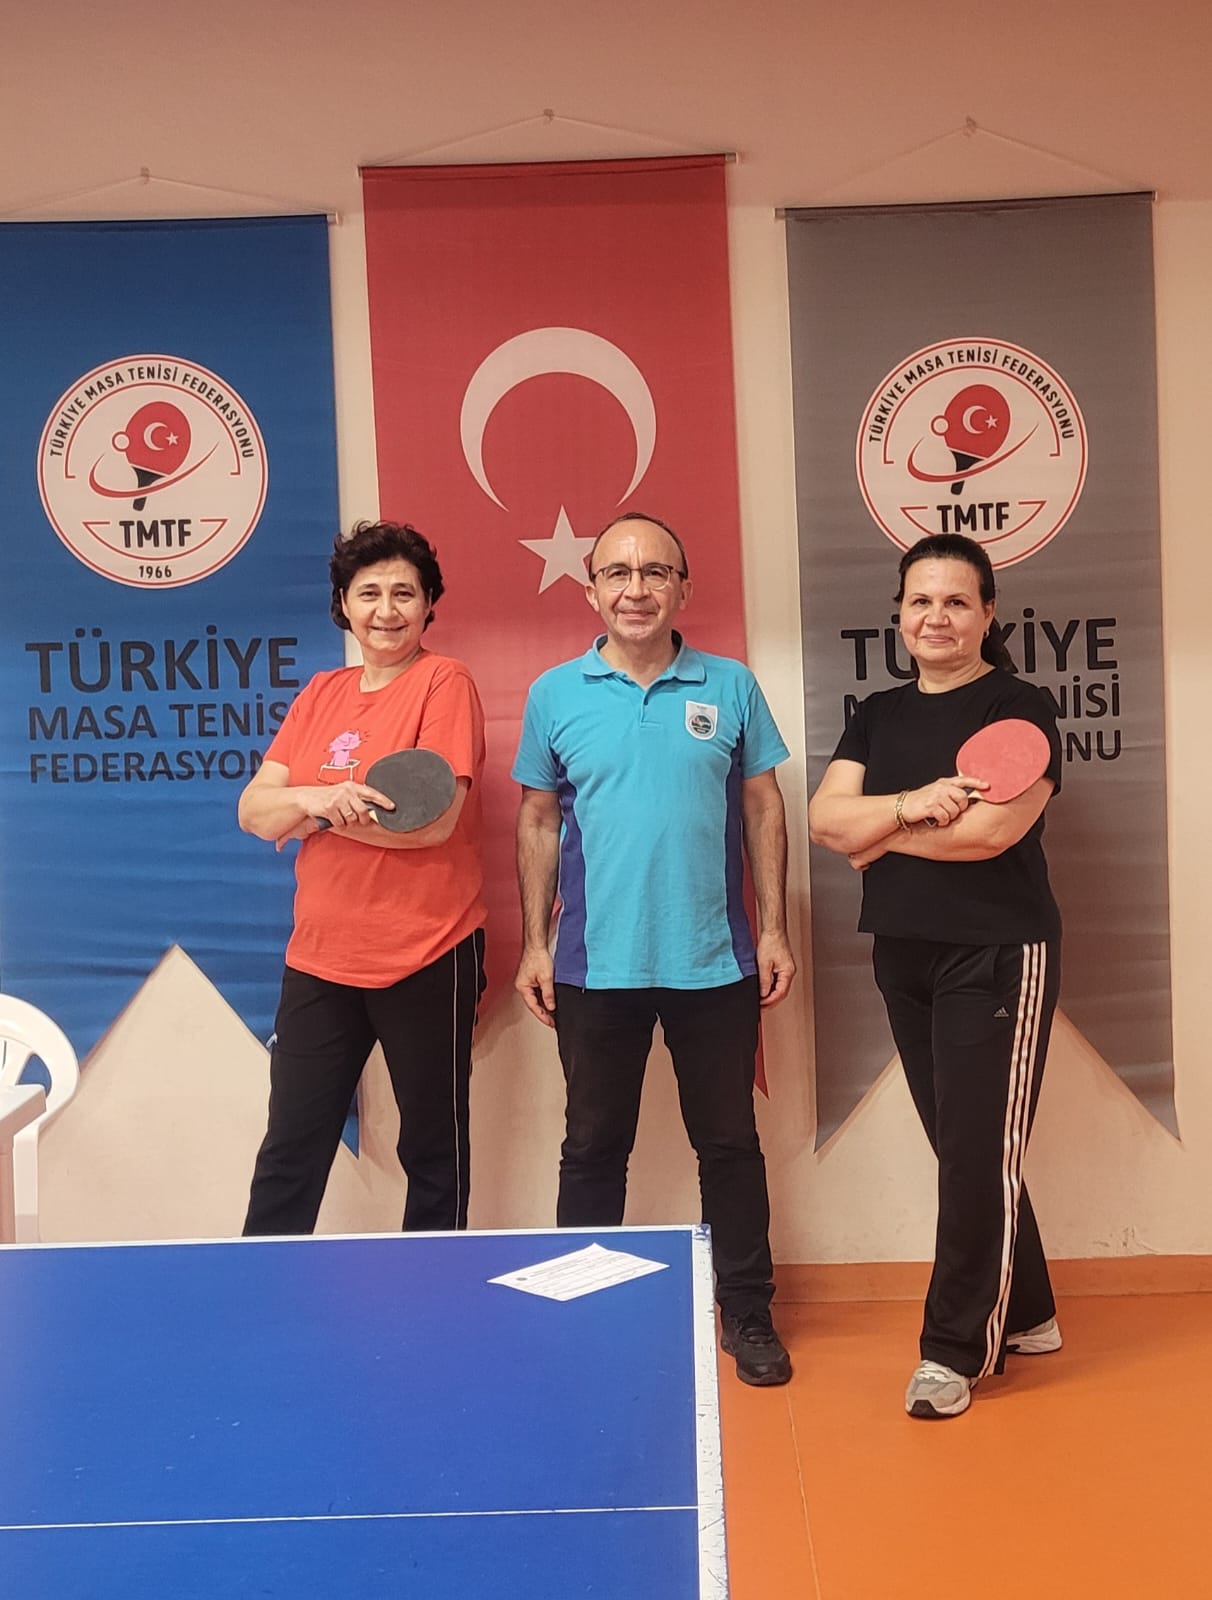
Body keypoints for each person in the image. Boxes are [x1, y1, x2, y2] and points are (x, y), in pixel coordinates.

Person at [512, 511, 797, 1386]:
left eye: (655, 572)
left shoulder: (732, 685)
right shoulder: (554, 693)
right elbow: (537, 819)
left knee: (730, 1145)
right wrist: (535, 944)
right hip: (595, 966)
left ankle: (746, 1311)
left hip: (715, 960)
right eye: (618, 573)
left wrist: (774, 928)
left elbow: (763, 807)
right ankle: (587, 1313)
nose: (636, 589)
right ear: (591, 588)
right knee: (593, 1147)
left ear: (683, 587)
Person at [808, 532, 1062, 1419]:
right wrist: (910, 806)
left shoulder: (1021, 708)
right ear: (900, 613)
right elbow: (824, 820)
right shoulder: (877, 714)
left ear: (988, 614)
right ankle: (1029, 1310)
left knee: (975, 1153)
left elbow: (990, 834)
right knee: (966, 1146)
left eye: (957, 601)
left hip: (997, 955)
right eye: (921, 600)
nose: (937, 617)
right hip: (902, 954)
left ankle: (953, 1350)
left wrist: (877, 834)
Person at [238, 520, 486, 1236]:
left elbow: (432, 823)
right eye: (368, 592)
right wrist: (321, 799)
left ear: (429, 603)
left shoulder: (445, 681)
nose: (386, 609)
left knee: (433, 1150)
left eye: (404, 593)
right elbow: (253, 810)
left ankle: (431, 1286)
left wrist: (308, 813)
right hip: (321, 957)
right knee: (291, 1146)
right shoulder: (321, 692)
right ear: (343, 604)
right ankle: (261, 1283)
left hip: (428, 949)